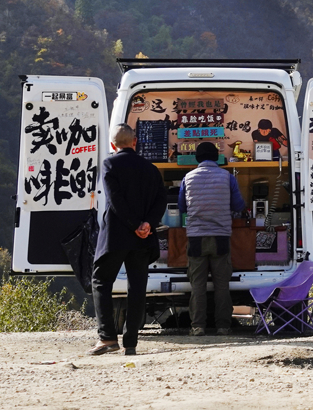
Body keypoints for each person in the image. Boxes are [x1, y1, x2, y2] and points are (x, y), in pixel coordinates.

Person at [89, 124, 167, 356]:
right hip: (143, 239)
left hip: (116, 236)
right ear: (135, 142)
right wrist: (147, 225)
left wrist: (134, 225)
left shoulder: (110, 164)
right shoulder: (151, 169)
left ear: (113, 145)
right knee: (137, 287)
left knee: (101, 281)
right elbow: (160, 201)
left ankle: (107, 338)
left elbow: (115, 200)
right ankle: (130, 342)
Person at [178, 141, 246, 336]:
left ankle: (197, 326)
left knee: (197, 285)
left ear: (197, 158)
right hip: (221, 237)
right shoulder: (227, 177)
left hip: (197, 238)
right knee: (222, 285)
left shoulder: (188, 178)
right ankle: (223, 326)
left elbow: (182, 207)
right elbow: (238, 205)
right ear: (216, 157)